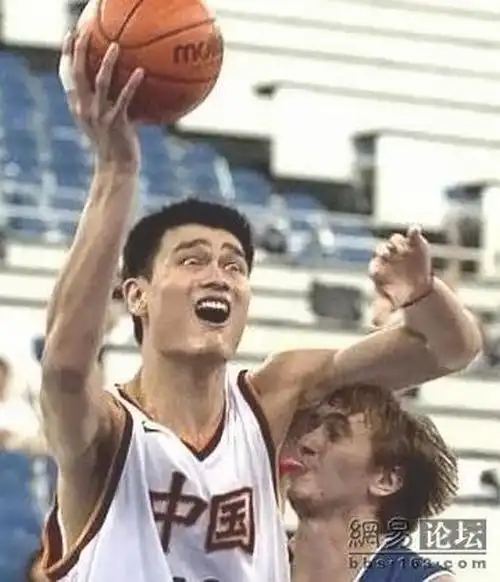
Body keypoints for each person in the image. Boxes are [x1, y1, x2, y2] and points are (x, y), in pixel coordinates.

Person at [38, 30, 481, 582]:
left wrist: (422, 292)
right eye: (193, 260)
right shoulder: (108, 432)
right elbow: (63, 368)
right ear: (137, 294)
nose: (218, 276)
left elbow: (450, 347)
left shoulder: (273, 399)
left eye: (234, 266)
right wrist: (116, 172)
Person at [281, 385, 457, 582]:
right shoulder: (258, 560)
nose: (306, 442)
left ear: (385, 480)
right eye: (310, 427)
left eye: (335, 434)